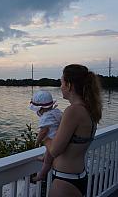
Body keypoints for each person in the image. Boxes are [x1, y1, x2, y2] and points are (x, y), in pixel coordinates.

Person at [43, 64, 102, 197]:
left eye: (62, 82)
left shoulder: (73, 111)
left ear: (69, 85)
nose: (61, 87)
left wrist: (44, 137)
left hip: (64, 180)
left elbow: (54, 150)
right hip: (78, 176)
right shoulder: (89, 109)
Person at [29, 90, 62, 181]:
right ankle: (44, 157)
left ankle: (42, 174)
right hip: (59, 137)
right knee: (48, 153)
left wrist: (37, 141)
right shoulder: (56, 111)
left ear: (40, 109)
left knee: (48, 161)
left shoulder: (45, 117)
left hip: (53, 141)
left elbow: (44, 131)